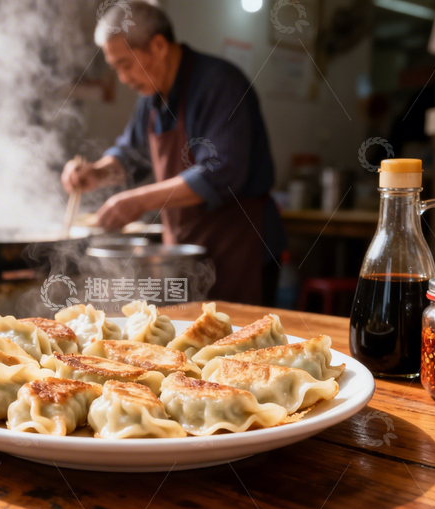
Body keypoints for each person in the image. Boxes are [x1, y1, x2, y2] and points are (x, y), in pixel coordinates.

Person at [61, 1, 285, 305]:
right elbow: (129, 155)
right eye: (115, 69)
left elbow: (222, 172)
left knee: (243, 343)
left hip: (241, 244)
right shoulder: (151, 97)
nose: (123, 79)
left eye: (126, 65)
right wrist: (96, 172)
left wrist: (137, 201)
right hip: (185, 249)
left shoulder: (221, 84)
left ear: (158, 45)